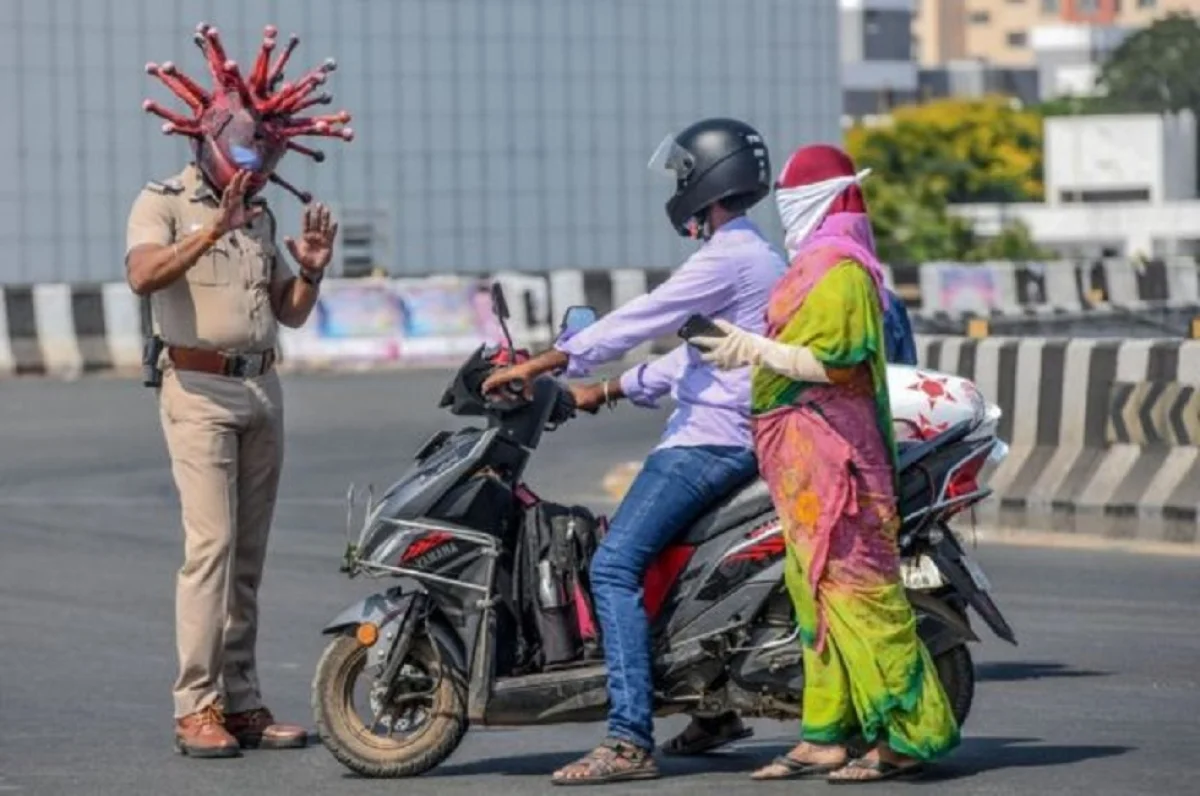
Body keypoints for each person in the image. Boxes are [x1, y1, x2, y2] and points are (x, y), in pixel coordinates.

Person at [480, 117, 786, 785]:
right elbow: (700, 357)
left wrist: (543, 364)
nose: (676, 186)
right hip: (723, 433)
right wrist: (609, 390)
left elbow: (645, 315)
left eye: (683, 174)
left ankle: (627, 741)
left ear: (706, 179)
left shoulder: (728, 258)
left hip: (710, 442)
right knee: (667, 569)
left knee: (613, 566)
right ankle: (714, 708)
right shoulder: (751, 255)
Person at [689, 144, 960, 784]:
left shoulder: (840, 271)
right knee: (813, 600)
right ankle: (824, 735)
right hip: (805, 469)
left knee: (862, 600)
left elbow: (838, 365)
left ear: (808, 199)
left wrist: (756, 350)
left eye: (787, 196)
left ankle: (912, 735)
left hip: (839, 467)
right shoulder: (810, 266)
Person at [125, 23, 353, 759]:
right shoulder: (160, 201)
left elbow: (285, 312)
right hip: (196, 390)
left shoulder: (262, 212)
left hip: (262, 392)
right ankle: (195, 705)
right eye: (245, 152)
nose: (253, 168)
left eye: (265, 156)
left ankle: (243, 701)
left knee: (248, 558)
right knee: (212, 550)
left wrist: (311, 270)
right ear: (209, 140)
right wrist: (210, 228)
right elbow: (142, 275)